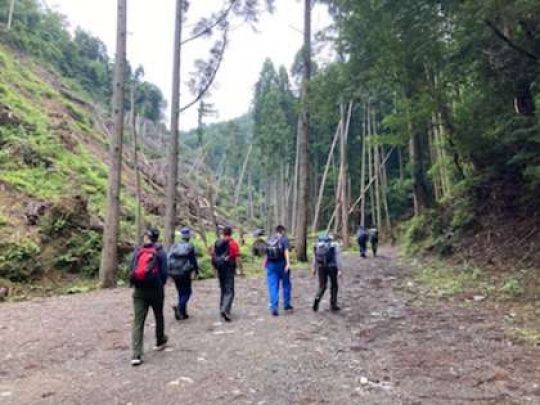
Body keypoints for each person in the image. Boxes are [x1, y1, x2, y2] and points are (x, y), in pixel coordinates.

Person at [129, 228, 168, 366]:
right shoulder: (160, 252)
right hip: (156, 290)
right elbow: (164, 273)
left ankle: (136, 354)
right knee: (158, 315)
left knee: (138, 322)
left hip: (139, 291)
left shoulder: (138, 251)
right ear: (157, 238)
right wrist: (160, 284)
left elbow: (131, 268)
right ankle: (159, 341)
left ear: (146, 237)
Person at [168, 227, 199, 320]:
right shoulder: (190, 246)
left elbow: (168, 258)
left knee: (181, 292)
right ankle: (179, 307)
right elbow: (193, 260)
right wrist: (196, 271)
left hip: (174, 272)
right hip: (184, 272)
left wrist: (168, 273)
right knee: (188, 292)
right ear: (188, 236)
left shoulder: (174, 246)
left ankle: (182, 313)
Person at [211, 226, 240, 322]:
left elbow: (213, 255)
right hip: (229, 268)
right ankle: (225, 310)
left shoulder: (217, 242)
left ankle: (221, 308)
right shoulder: (233, 243)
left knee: (223, 289)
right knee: (230, 290)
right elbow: (237, 257)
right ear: (231, 233)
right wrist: (240, 269)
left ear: (223, 233)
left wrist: (214, 269)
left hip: (220, 268)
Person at [264, 225, 292, 316]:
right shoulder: (284, 239)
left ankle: (274, 307)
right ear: (283, 231)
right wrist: (288, 263)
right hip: (282, 264)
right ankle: (287, 305)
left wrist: (265, 264)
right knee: (286, 285)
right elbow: (286, 251)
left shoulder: (270, 239)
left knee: (273, 286)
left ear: (276, 231)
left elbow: (267, 253)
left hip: (271, 265)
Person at [312, 233, 342, 312]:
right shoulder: (334, 245)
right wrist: (339, 269)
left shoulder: (317, 245)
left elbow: (314, 258)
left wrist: (314, 268)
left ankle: (317, 299)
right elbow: (338, 257)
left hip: (321, 267)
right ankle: (333, 304)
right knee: (334, 285)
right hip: (332, 267)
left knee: (322, 286)